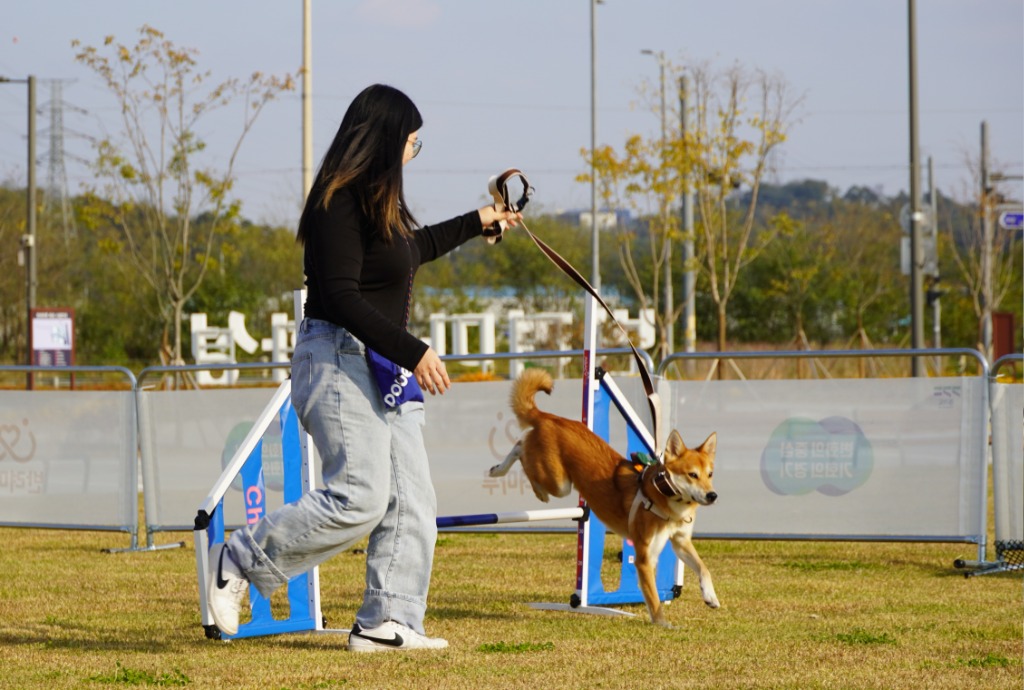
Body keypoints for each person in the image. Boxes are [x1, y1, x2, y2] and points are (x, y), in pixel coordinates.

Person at [207, 83, 520, 652]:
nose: (411, 154)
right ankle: (239, 558)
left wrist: (478, 221)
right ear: (383, 139)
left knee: (413, 498)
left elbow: (412, 249)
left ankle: (388, 621)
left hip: (380, 365)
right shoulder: (337, 202)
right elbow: (343, 297)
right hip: (335, 358)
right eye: (411, 143)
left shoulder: (380, 205)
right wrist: (416, 350)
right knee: (360, 496)